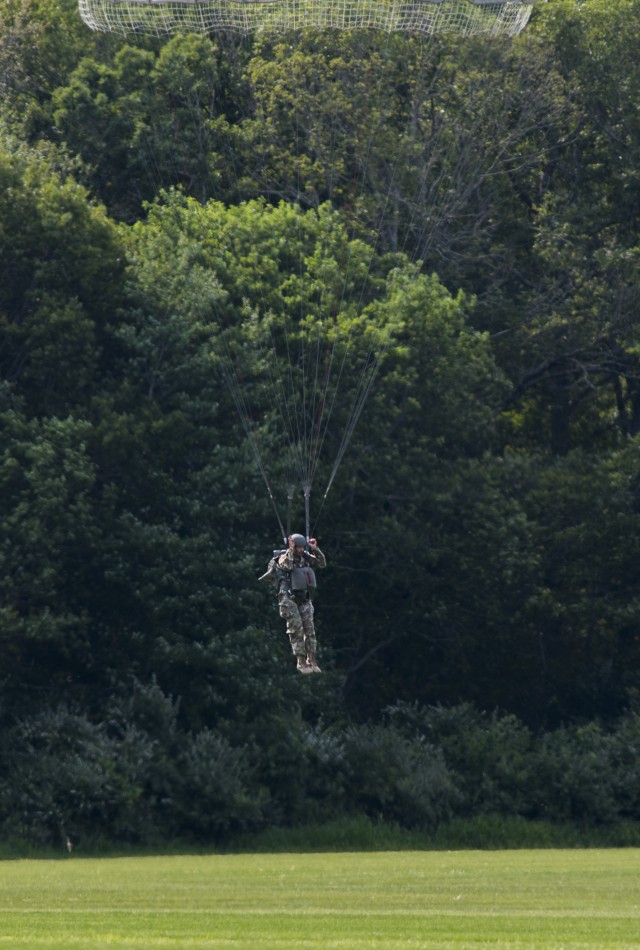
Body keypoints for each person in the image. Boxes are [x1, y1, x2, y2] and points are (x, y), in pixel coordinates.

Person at [275, 533, 326, 674]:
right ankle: (301, 662)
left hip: (304, 598)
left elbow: (321, 563)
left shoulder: (306, 558)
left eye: (303, 547)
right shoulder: (283, 557)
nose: (301, 550)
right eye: (298, 547)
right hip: (288, 599)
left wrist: (315, 549)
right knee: (296, 629)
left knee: (310, 630)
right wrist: (290, 550)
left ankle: (312, 660)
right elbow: (286, 566)